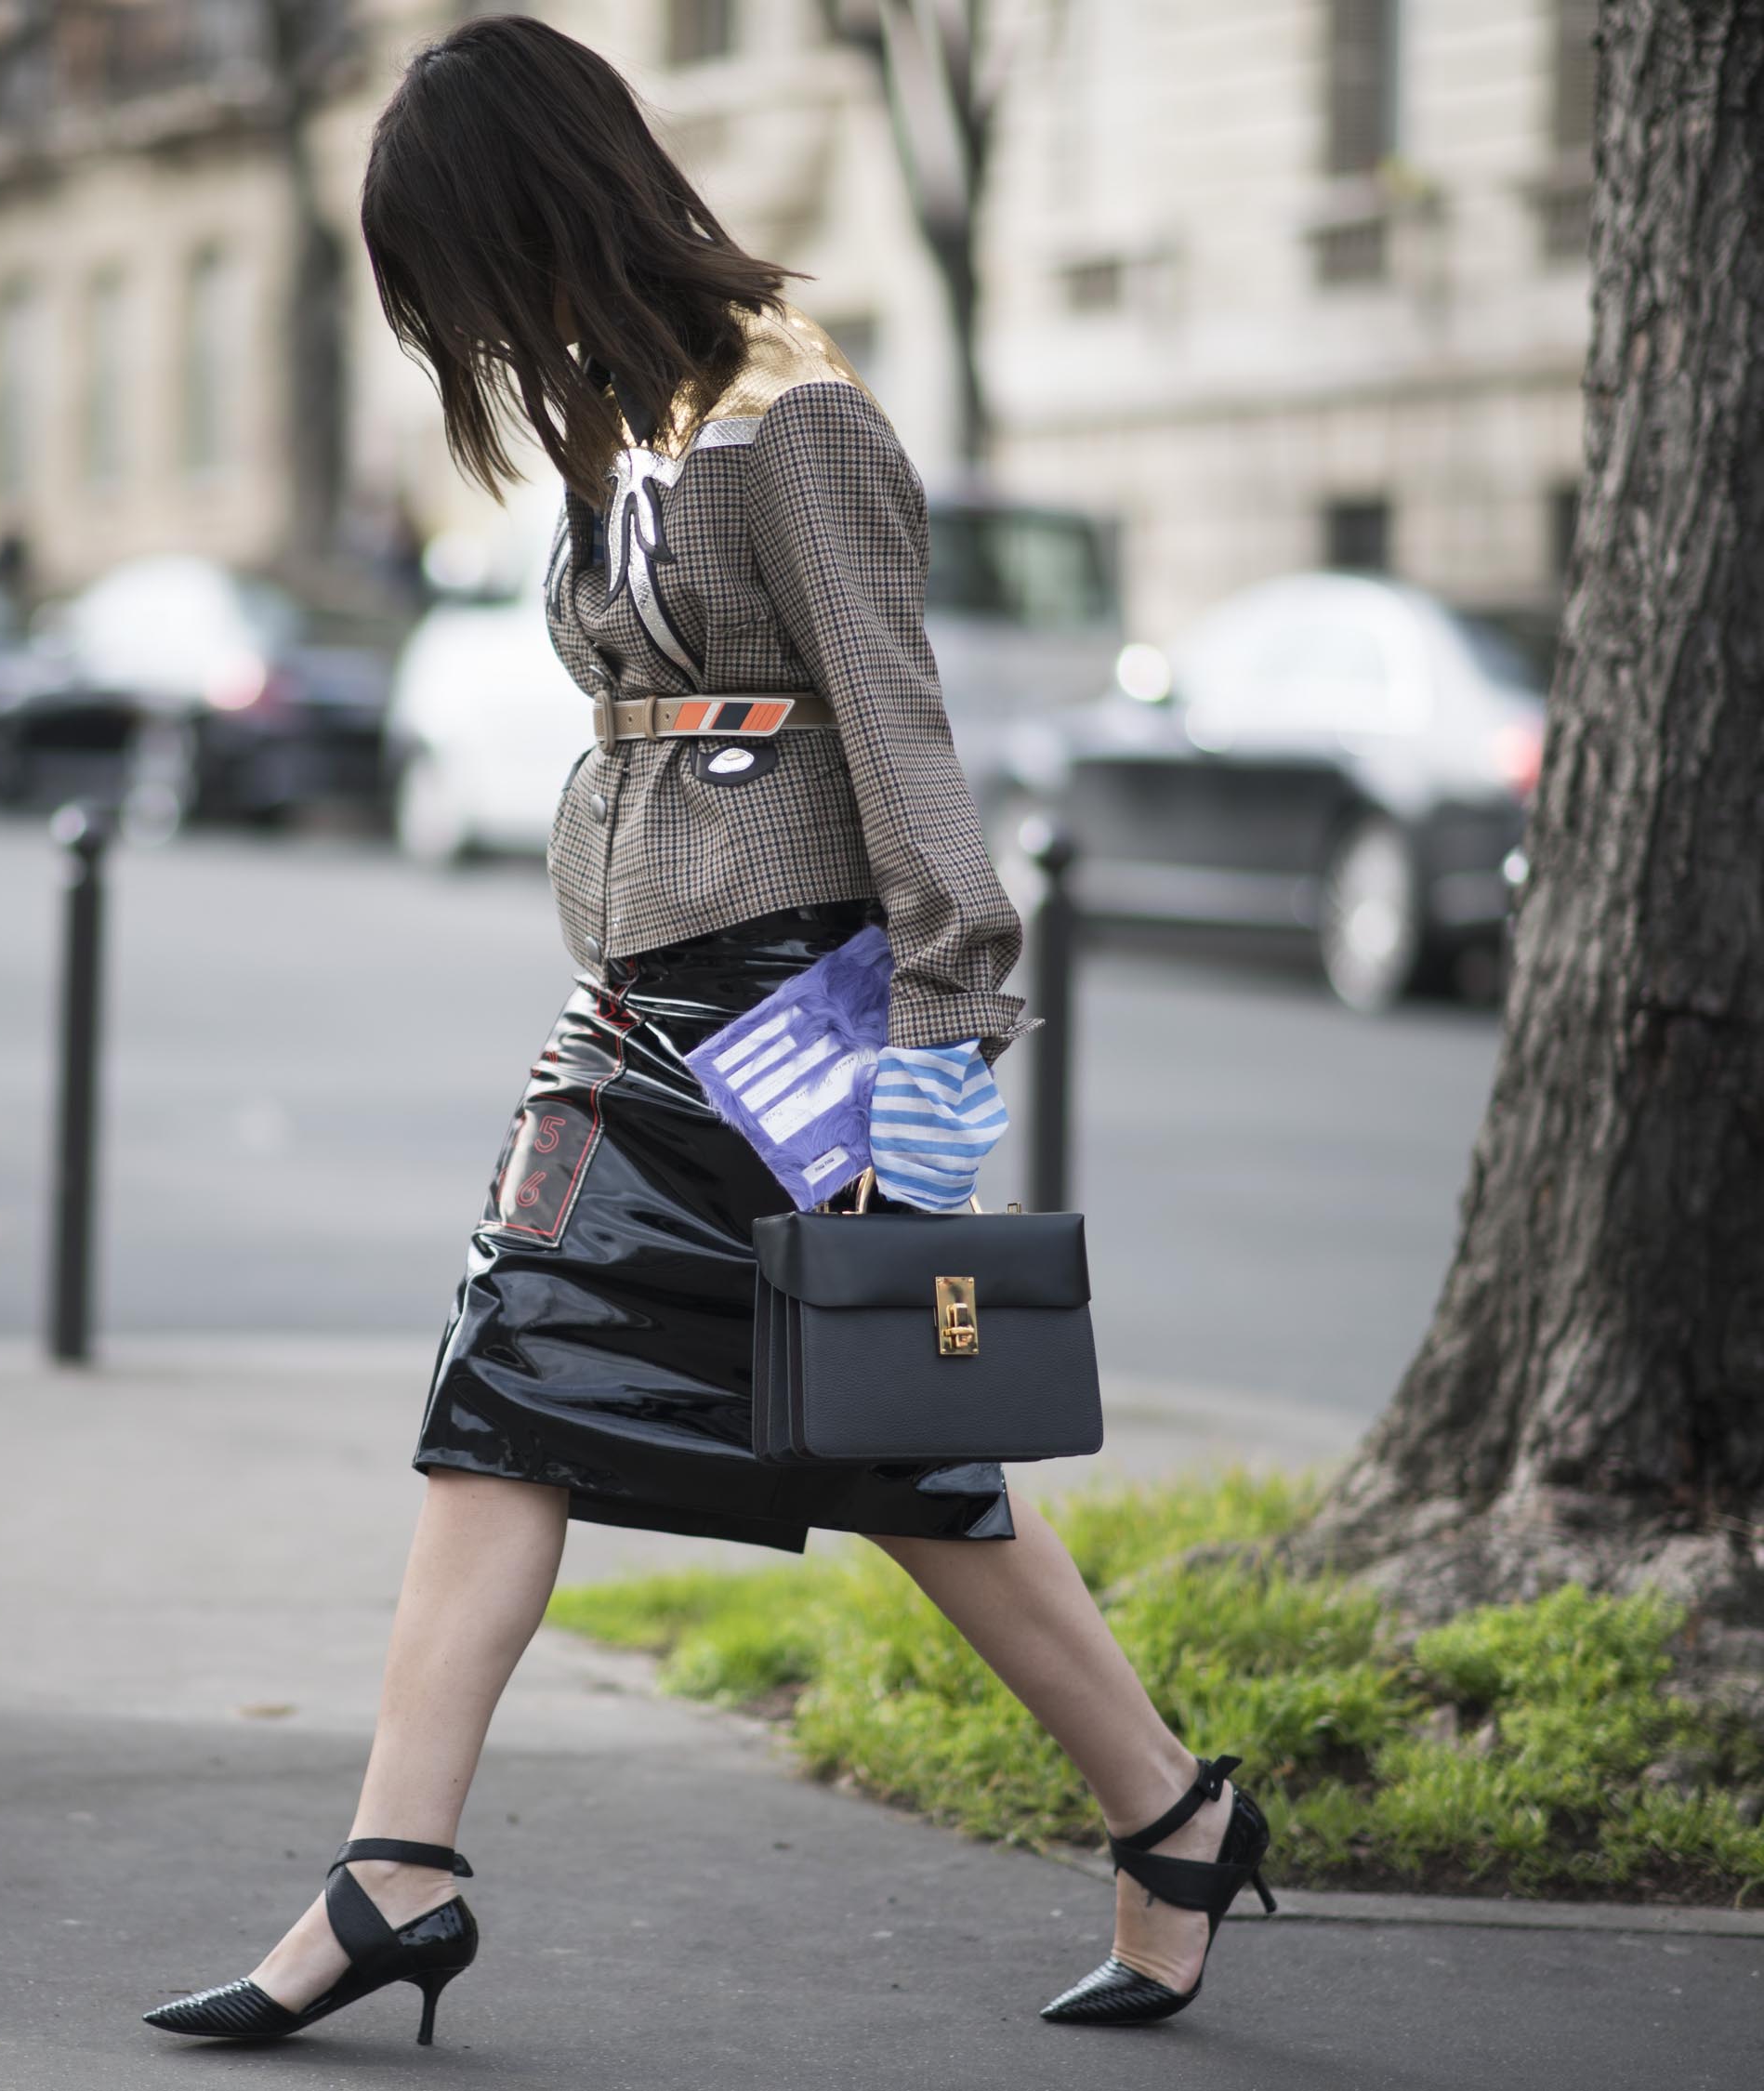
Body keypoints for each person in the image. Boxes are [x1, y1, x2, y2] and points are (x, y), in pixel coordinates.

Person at [142, 17, 1273, 2050]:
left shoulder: (790, 416)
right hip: (638, 1014)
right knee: (501, 1397)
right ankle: (398, 1873)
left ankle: (1176, 1815)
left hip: (801, 1016)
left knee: (913, 1459)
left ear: (540, 214)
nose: (458, 328)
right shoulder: (624, 422)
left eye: (461, 269)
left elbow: (904, 736)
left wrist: (948, 1025)